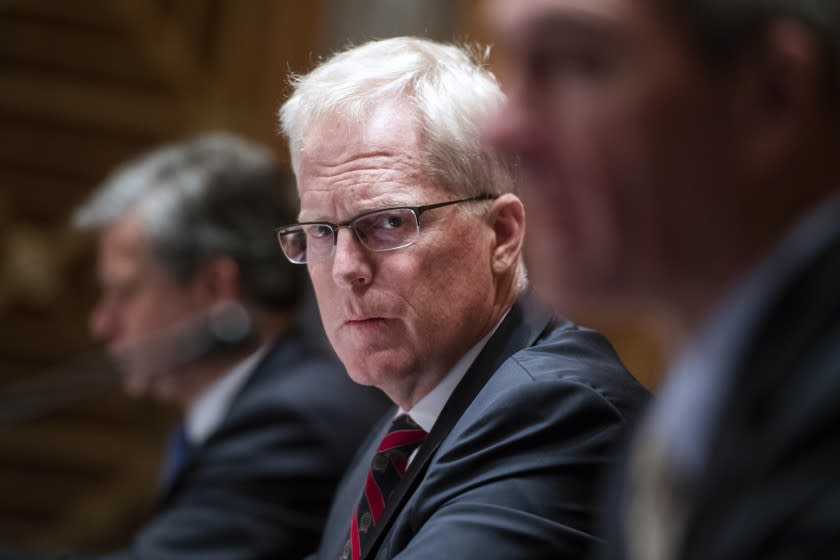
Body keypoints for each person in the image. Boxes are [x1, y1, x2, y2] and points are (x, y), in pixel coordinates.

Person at [485, 0, 840, 558]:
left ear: (773, 96)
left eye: (579, 60)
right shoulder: (688, 419)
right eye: (514, 60)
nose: (505, 129)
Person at [275, 37, 649, 560]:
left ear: (501, 234)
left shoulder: (557, 413)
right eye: (320, 231)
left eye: (387, 223)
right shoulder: (398, 434)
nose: (345, 269)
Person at [0, 133, 391, 560]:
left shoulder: (294, 421)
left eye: (125, 292)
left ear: (215, 287)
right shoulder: (262, 403)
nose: (101, 324)